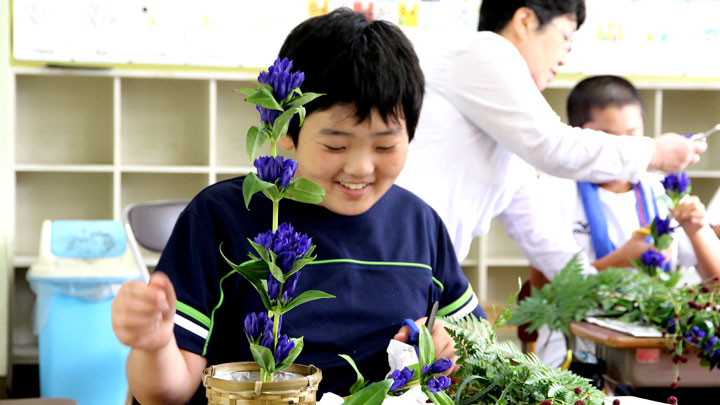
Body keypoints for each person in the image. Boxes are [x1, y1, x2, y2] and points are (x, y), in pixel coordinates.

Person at [110, 9, 484, 404]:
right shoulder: (222, 218)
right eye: (335, 145)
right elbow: (163, 393)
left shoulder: (419, 224)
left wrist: (450, 347)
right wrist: (153, 345)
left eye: (386, 145)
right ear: (286, 130)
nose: (361, 167)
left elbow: (480, 344)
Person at [395, 0, 707, 282]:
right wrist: (654, 151)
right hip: (393, 256)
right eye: (566, 38)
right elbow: (553, 147)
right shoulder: (483, 51)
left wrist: (605, 277)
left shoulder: (508, 136)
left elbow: (548, 246)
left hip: (421, 270)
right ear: (524, 21)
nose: (564, 59)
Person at [534, 75, 720, 368]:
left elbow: (716, 285)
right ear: (578, 137)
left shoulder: (663, 190)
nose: (623, 150)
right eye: (609, 139)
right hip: (572, 344)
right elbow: (544, 294)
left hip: (651, 346)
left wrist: (697, 230)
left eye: (633, 136)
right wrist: (620, 260)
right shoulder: (554, 189)